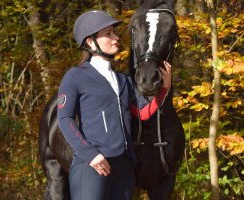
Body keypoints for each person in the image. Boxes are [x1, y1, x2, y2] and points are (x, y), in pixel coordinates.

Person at [57, 10, 172, 200]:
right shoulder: (75, 76)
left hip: (124, 168)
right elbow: (64, 118)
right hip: (93, 165)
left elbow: (142, 114)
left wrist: (163, 90)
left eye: (115, 32)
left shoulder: (124, 80)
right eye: (108, 34)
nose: (116, 38)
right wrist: (90, 154)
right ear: (90, 42)